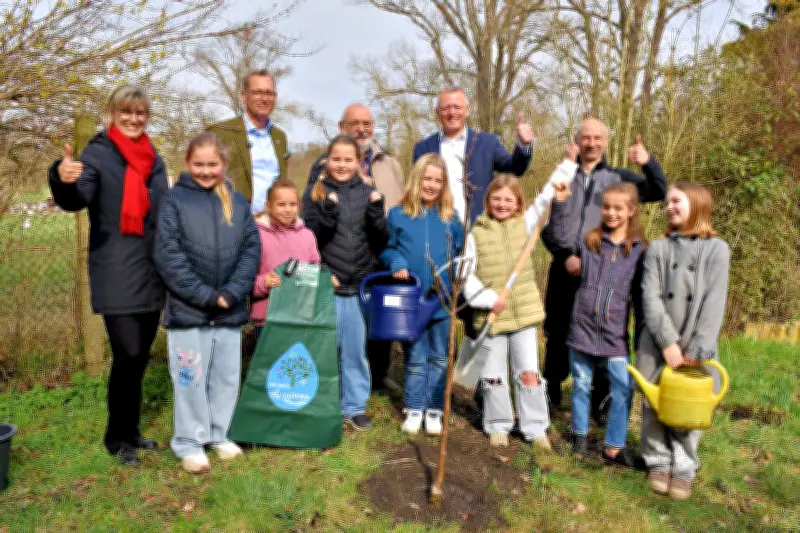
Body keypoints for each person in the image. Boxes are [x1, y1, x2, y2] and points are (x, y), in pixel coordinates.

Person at [48, 85, 168, 466]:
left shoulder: (154, 158)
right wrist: (61, 176)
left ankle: (130, 431)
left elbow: (167, 209)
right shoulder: (98, 155)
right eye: (126, 112)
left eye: (141, 113)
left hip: (151, 269)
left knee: (138, 356)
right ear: (112, 113)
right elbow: (76, 198)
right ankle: (116, 438)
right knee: (127, 352)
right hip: (116, 269)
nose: (134, 119)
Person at [541, 123, 667, 419]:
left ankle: (601, 400)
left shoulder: (618, 178)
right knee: (557, 330)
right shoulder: (563, 174)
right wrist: (565, 255)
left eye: (598, 138)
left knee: (601, 329)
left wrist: (648, 163)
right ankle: (551, 394)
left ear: (606, 142)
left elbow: (658, 190)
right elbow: (545, 222)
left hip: (602, 270)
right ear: (576, 141)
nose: (591, 143)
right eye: (586, 137)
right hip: (564, 266)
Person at [154, 133, 261, 473]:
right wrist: (203, 295)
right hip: (190, 310)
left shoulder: (238, 201)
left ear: (223, 165)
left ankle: (220, 433)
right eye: (198, 164)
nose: (205, 170)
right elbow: (168, 254)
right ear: (188, 163)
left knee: (226, 376)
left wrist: (232, 291)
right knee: (190, 377)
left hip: (229, 308)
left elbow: (251, 249)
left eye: (212, 164)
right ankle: (189, 441)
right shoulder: (174, 201)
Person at [637, 182, 730, 500]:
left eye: (676, 201)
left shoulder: (717, 249)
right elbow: (649, 297)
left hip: (695, 342)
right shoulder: (657, 249)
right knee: (654, 402)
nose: (669, 207)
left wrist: (696, 348)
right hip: (658, 339)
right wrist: (666, 341)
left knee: (691, 405)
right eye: (667, 203)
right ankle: (658, 463)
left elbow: (715, 302)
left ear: (697, 203)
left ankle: (684, 468)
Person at [306, 103, 405, 393]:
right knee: (342, 332)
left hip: (379, 250)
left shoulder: (390, 163)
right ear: (342, 127)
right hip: (337, 261)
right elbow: (313, 220)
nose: (362, 129)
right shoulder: (322, 170)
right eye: (355, 124)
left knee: (375, 325)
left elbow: (398, 205)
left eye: (367, 123)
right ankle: (335, 387)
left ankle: (377, 376)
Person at [551, 180, 646, 467]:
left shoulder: (640, 250)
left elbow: (641, 299)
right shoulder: (589, 240)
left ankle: (613, 446)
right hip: (582, 328)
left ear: (631, 211)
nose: (611, 213)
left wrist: (641, 341)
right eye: (606, 207)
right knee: (581, 384)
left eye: (618, 208)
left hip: (615, 334)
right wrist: (560, 204)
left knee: (623, 388)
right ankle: (578, 437)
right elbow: (559, 237)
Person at [462, 174, 561, 451]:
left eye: (508, 199)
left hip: (523, 316)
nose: (502, 204)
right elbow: (467, 275)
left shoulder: (526, 225)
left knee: (529, 373)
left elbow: (545, 197)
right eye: (496, 198)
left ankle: (535, 427)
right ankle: (498, 424)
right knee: (493, 376)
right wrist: (487, 299)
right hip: (491, 318)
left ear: (518, 203)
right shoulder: (476, 233)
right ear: (487, 201)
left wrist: (567, 164)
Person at [302, 135, 388, 431]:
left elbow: (379, 241)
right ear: (327, 160)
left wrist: (377, 215)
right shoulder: (315, 193)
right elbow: (309, 240)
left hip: (358, 284)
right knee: (325, 349)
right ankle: (324, 403)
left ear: (357, 162)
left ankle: (354, 406)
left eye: (347, 159)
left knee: (354, 350)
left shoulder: (368, 192)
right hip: (328, 282)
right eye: (335, 159)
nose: (341, 164)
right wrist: (327, 214)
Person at [380, 154, 463, 436]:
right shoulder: (398, 214)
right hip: (411, 300)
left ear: (444, 185)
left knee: (440, 356)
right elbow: (388, 249)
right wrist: (397, 262)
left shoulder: (451, 218)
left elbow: (461, 254)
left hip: (442, 299)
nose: (431, 185)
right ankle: (414, 408)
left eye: (438, 181)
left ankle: (434, 409)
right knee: (415, 355)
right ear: (417, 179)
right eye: (427, 178)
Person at [413, 87, 534, 224]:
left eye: (457, 107)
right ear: (437, 112)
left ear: (467, 109)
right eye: (445, 108)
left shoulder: (487, 143)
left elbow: (515, 168)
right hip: (436, 229)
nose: (452, 113)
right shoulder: (422, 148)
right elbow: (416, 191)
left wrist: (523, 145)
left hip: (478, 231)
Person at [207, 70, 289, 213]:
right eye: (258, 92)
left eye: (269, 93)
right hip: (234, 222)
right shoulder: (220, 133)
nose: (264, 99)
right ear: (244, 96)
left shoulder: (279, 137)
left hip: (272, 224)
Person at [251, 179, 321, 337]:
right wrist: (263, 282)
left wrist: (322, 278)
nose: (287, 210)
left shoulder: (307, 236)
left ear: (299, 205)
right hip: (268, 319)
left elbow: (314, 271)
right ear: (268, 205)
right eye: (281, 204)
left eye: (293, 204)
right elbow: (245, 279)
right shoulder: (256, 235)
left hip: (301, 319)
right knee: (271, 362)